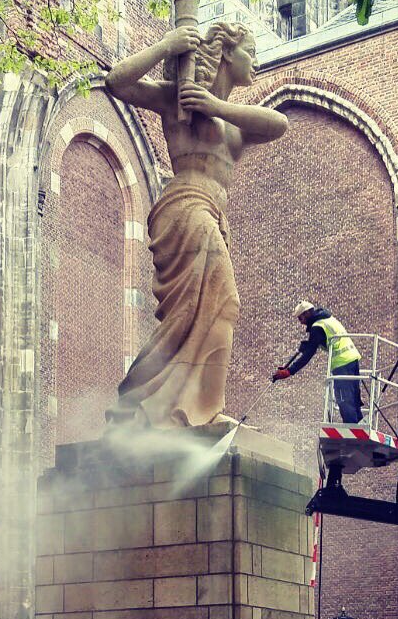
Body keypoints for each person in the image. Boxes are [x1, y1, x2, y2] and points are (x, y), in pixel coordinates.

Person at [104, 22, 289, 428]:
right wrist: (165, 45)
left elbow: (279, 125)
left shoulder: (232, 122)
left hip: (213, 215)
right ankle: (201, 411)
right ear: (226, 53)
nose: (255, 62)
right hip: (186, 208)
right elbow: (118, 82)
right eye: (250, 53)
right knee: (224, 303)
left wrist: (214, 106)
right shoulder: (177, 101)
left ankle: (143, 400)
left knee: (186, 318)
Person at [273, 301, 363, 424]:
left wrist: (289, 371)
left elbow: (309, 354)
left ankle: (353, 429)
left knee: (344, 399)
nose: (300, 321)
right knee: (352, 396)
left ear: (307, 313)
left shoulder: (317, 327)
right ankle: (359, 424)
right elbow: (322, 340)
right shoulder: (327, 318)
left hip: (341, 363)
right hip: (352, 358)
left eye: (301, 317)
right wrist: (310, 344)